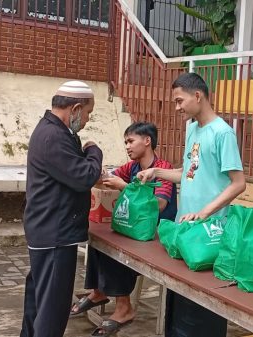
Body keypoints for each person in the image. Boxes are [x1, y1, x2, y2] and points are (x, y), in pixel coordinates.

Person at [137, 73, 246, 337]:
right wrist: (157, 173)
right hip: (186, 228)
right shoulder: (193, 129)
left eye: (179, 101)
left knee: (202, 309)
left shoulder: (223, 133)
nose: (177, 108)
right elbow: (189, 172)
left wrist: (204, 212)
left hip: (210, 230)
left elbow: (239, 183)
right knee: (180, 302)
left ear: (197, 96)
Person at [69, 122, 177, 336]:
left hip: (155, 233)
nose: (127, 146)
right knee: (99, 237)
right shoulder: (132, 167)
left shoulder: (163, 169)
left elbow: (159, 205)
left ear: (147, 141)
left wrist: (123, 186)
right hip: (134, 228)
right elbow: (109, 178)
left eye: (130, 141)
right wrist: (98, 174)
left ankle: (124, 308)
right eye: (125, 142)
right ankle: (98, 291)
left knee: (117, 247)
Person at [21, 81, 103, 337]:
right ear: (75, 108)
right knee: (53, 311)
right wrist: (93, 150)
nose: (87, 120)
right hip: (54, 235)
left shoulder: (53, 131)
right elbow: (84, 176)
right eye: (88, 113)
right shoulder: (53, 137)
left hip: (47, 230)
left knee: (39, 302)